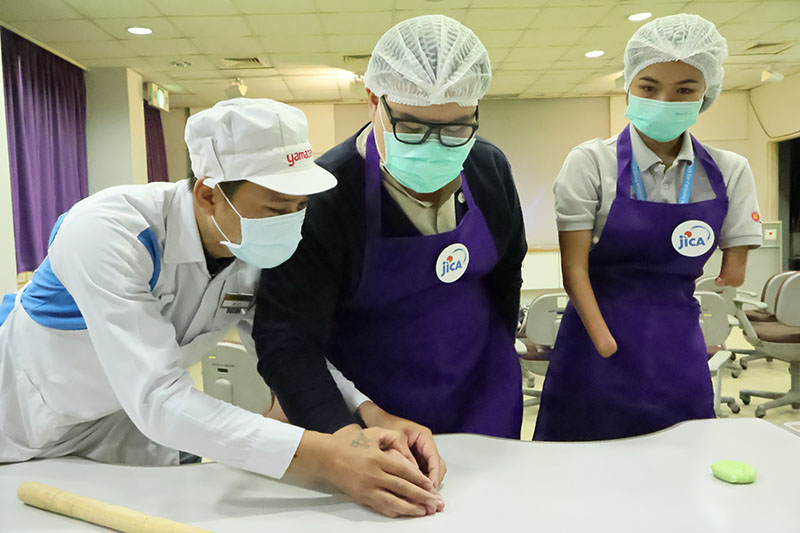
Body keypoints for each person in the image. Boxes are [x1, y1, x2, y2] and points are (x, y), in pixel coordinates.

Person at [0, 98, 443, 518]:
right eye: (275, 208)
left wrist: (369, 412)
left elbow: (283, 351)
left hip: (119, 428)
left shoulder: (249, 248)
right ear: (209, 194)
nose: (291, 223)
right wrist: (325, 459)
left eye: (300, 207)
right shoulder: (108, 234)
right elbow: (158, 396)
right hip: (21, 427)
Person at [253, 14, 526, 451]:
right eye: (412, 128)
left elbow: (505, 277)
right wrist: (344, 439)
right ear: (372, 101)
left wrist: (500, 362)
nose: (434, 146)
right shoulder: (327, 195)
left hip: (483, 396)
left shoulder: (488, 168)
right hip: (377, 416)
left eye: (456, 129)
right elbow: (286, 336)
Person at [534, 14, 763, 442]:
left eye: (685, 90)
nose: (665, 100)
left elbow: (735, 271)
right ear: (629, 87)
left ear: (706, 94)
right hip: (593, 347)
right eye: (649, 87)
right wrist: (604, 342)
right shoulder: (591, 163)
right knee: (583, 475)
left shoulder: (730, 172)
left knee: (681, 467)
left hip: (678, 349)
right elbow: (575, 270)